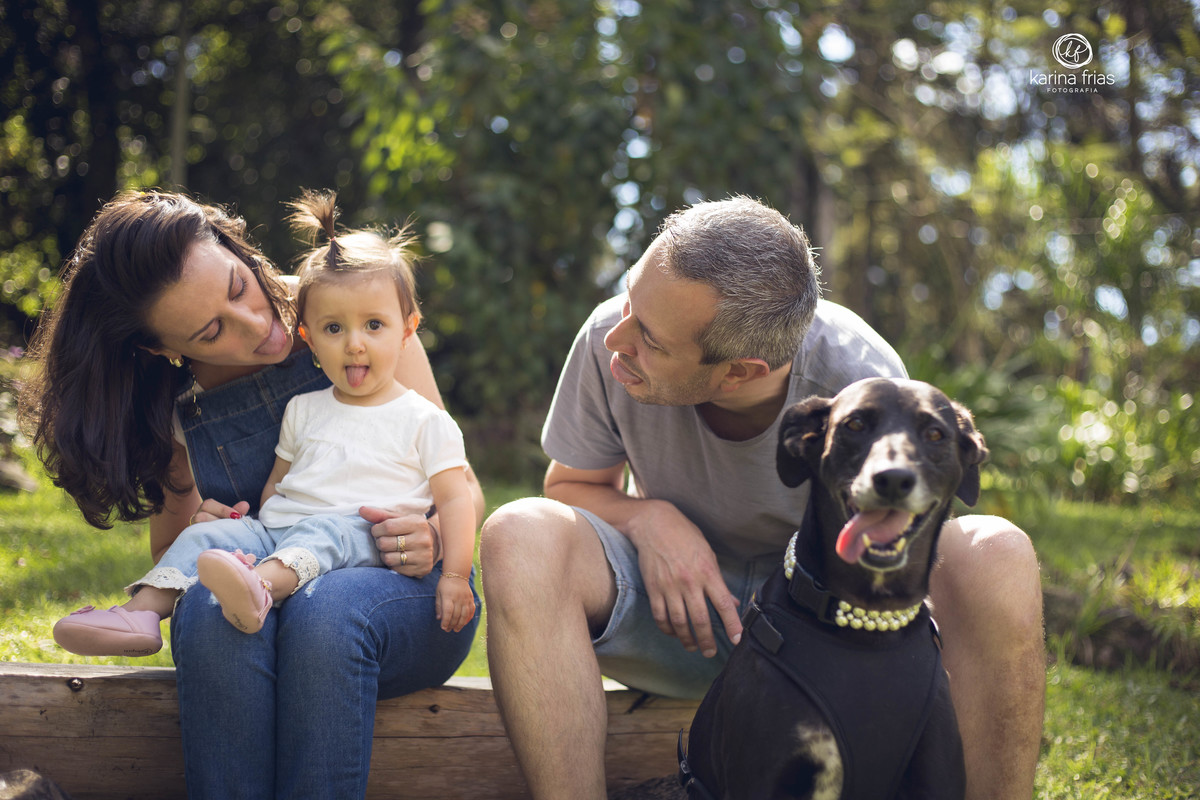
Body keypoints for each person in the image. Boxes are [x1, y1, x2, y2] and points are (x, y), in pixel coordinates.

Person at [480, 196, 1045, 800]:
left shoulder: (859, 380)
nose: (617, 337)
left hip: (825, 631)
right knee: (521, 532)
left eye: (650, 338)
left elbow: (901, 538)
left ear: (741, 373)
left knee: (997, 551)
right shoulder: (611, 341)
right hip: (677, 617)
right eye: (628, 300)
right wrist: (650, 520)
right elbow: (569, 485)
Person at [22, 189, 482, 798]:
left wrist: (432, 534)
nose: (259, 326)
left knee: (327, 613)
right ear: (162, 349)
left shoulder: (349, 308)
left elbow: (457, 481)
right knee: (211, 615)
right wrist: (199, 520)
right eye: (212, 330)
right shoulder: (175, 414)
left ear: (235, 247)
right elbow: (179, 557)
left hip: (396, 596)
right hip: (262, 590)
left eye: (239, 287)